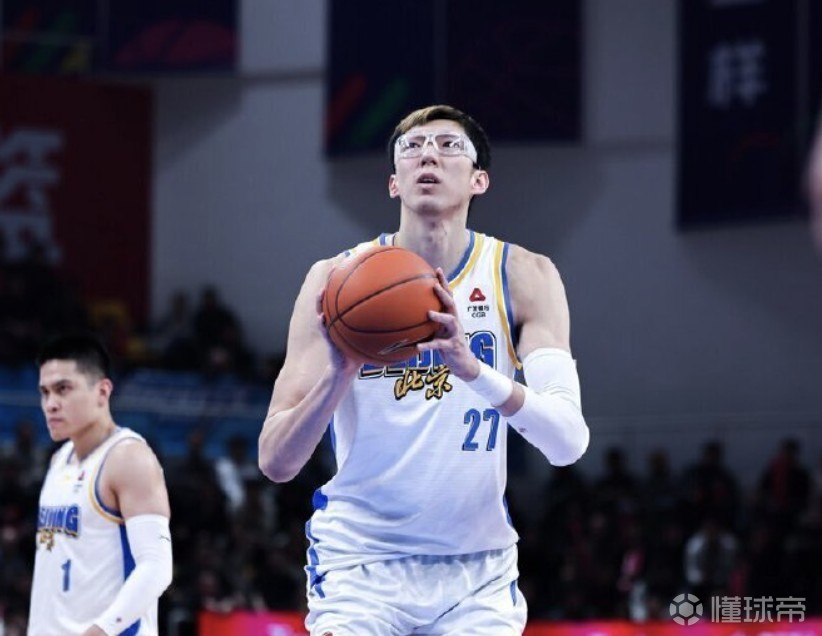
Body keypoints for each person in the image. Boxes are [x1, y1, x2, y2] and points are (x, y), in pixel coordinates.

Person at [258, 104, 590, 635]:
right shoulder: (333, 283)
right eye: (411, 148)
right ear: (394, 183)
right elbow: (276, 461)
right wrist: (338, 376)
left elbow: (568, 443)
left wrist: (473, 370)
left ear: (480, 179)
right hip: (360, 564)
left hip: (477, 571)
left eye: (449, 145)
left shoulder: (524, 276)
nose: (428, 154)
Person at [27, 333, 173, 635]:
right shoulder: (59, 460)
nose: (50, 404)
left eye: (63, 389)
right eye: (45, 392)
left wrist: (101, 630)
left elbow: (157, 567)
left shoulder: (129, 458)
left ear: (102, 391)